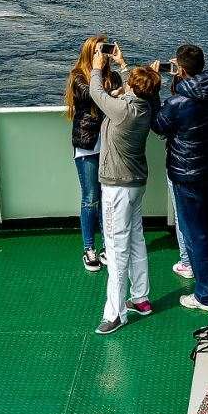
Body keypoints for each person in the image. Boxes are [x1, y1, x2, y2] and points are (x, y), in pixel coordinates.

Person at [150, 43, 208, 310]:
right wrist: (186, 77)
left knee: (196, 233)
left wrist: (155, 90)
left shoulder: (177, 102)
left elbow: (158, 125)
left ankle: (205, 295)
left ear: (180, 69)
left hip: (188, 175)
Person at [86, 42, 161, 334]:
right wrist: (123, 64)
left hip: (116, 188)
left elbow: (96, 92)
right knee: (136, 240)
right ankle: (140, 298)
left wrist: (96, 66)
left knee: (117, 250)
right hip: (136, 184)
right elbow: (135, 88)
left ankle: (116, 313)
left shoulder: (122, 111)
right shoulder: (143, 108)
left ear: (132, 89)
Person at [65, 35, 116, 273]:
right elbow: (91, 95)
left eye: (105, 51)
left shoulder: (113, 77)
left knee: (107, 199)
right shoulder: (78, 76)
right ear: (89, 54)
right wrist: (111, 92)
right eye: (97, 52)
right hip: (87, 145)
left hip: (108, 146)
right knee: (90, 198)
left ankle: (107, 246)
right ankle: (89, 248)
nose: (102, 56)